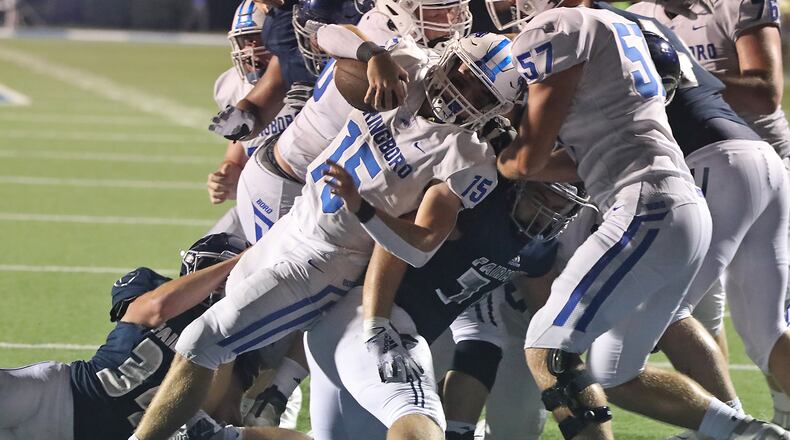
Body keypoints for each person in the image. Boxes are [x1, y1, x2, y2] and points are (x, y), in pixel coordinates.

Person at [130, 31, 520, 440]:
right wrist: (373, 54)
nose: (464, 94)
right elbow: (323, 34)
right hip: (292, 222)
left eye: (482, 94)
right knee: (238, 363)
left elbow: (422, 244)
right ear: (451, 59)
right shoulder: (405, 66)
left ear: (496, 109)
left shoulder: (468, 156)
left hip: (323, 262)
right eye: (465, 76)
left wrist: (364, 208)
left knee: (201, 341)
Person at [305, 168, 591, 439]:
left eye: (562, 203)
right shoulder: (480, 201)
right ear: (521, 183)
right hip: (379, 324)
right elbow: (398, 240)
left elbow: (548, 313)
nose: (547, 209)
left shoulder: (538, 249)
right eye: (542, 195)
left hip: (348, 333)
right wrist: (377, 323)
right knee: (423, 420)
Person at [0, 234, 307, 440]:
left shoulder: (241, 346)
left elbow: (221, 415)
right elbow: (156, 309)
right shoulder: (153, 287)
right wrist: (236, 265)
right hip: (63, 396)